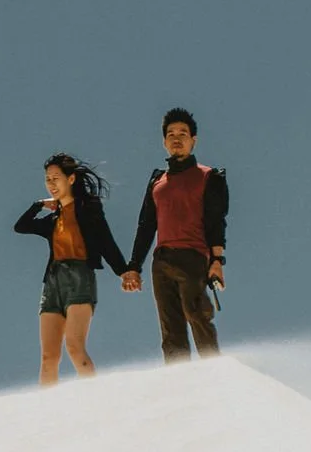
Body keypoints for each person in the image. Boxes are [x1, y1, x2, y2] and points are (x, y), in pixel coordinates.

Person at [122, 108, 228, 362]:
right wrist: (134, 266)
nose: (176, 138)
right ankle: (179, 384)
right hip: (161, 262)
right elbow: (146, 225)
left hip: (193, 256)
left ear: (194, 140)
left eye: (183, 133)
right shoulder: (158, 180)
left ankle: (214, 373)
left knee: (197, 314)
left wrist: (217, 262)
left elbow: (216, 223)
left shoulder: (209, 176)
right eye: (170, 134)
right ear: (164, 141)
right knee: (171, 330)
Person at [14, 153, 129, 385]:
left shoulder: (87, 208)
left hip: (80, 277)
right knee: (48, 357)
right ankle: (46, 412)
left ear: (71, 179)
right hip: (52, 282)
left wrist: (124, 271)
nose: (51, 184)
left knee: (75, 347)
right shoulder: (53, 220)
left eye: (56, 178)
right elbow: (21, 227)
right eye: (48, 179)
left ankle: (94, 399)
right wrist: (38, 205)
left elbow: (105, 240)